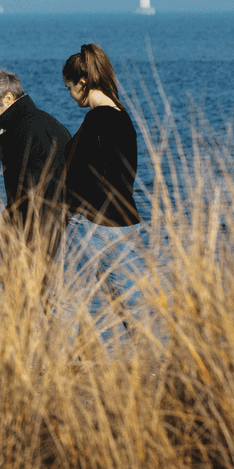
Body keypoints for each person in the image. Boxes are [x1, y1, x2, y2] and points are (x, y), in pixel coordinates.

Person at [61, 43, 145, 315]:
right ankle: (157, 357)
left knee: (66, 300)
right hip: (124, 221)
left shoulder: (95, 122)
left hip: (89, 221)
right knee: (134, 304)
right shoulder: (124, 120)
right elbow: (124, 174)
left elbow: (81, 175)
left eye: (69, 88)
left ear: (82, 82)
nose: (71, 96)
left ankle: (57, 358)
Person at [0, 68, 73, 277]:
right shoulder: (38, 123)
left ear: (8, 98)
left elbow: (35, 192)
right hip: (37, 228)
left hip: (37, 234)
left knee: (26, 298)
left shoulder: (28, 130)